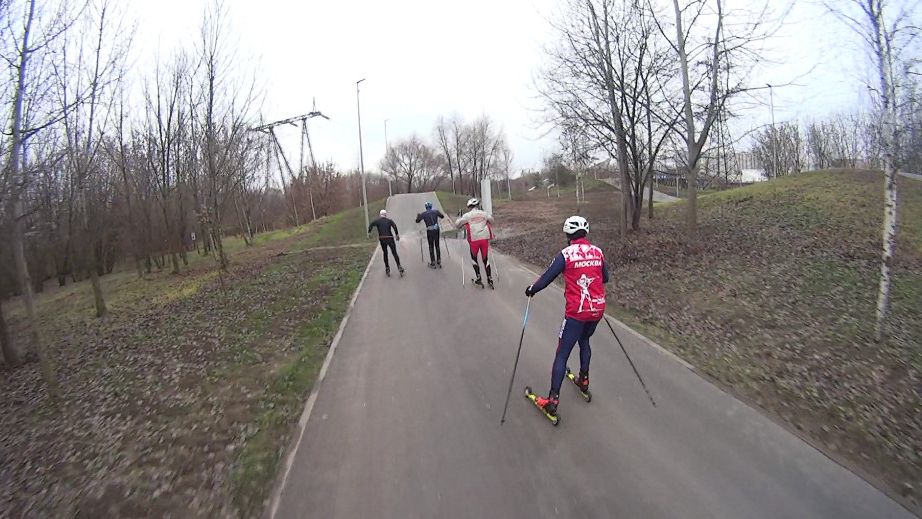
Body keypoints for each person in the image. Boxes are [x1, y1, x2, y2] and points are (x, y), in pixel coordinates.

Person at [524, 215, 608, 418]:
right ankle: (584, 380)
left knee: (562, 354)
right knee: (584, 340)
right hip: (597, 308)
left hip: (577, 312)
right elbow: (605, 277)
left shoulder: (566, 254)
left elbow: (547, 278)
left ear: (568, 235)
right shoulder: (597, 251)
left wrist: (531, 290)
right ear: (585, 232)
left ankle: (552, 401)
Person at [455, 197, 494, 288]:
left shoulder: (467, 215)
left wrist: (459, 217)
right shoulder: (484, 213)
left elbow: (457, 225)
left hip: (474, 239)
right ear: (478, 205)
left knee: (474, 258)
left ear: (469, 206)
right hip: (484, 238)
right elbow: (492, 220)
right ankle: (489, 278)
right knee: (485, 259)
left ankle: (478, 277)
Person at [368, 209, 404, 276]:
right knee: (394, 253)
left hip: (382, 239)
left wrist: (369, 232)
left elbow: (371, 224)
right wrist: (397, 234)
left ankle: (387, 268)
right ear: (385, 215)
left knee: (385, 253)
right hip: (390, 238)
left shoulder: (377, 221)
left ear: (380, 215)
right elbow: (394, 226)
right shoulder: (389, 221)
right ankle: (399, 266)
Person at [415, 201, 445, 268]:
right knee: (437, 245)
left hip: (430, 231)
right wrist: (438, 212)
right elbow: (442, 216)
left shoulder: (424, 214)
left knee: (431, 246)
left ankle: (433, 262)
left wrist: (418, 216)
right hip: (436, 229)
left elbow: (417, 221)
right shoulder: (436, 211)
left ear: (426, 207)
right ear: (431, 206)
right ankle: (439, 260)